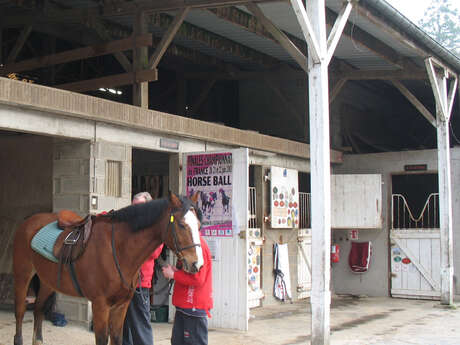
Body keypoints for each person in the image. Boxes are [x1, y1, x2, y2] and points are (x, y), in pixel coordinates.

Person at [123, 191, 164, 345]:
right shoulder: (130, 226)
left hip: (141, 283)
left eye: (139, 207)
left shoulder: (154, 228)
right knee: (124, 325)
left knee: (140, 325)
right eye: (134, 207)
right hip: (125, 283)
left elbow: (153, 252)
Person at [162, 234, 213, 345]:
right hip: (185, 306)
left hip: (193, 307)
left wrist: (173, 275)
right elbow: (190, 271)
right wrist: (175, 271)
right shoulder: (191, 244)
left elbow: (198, 279)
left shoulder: (198, 246)